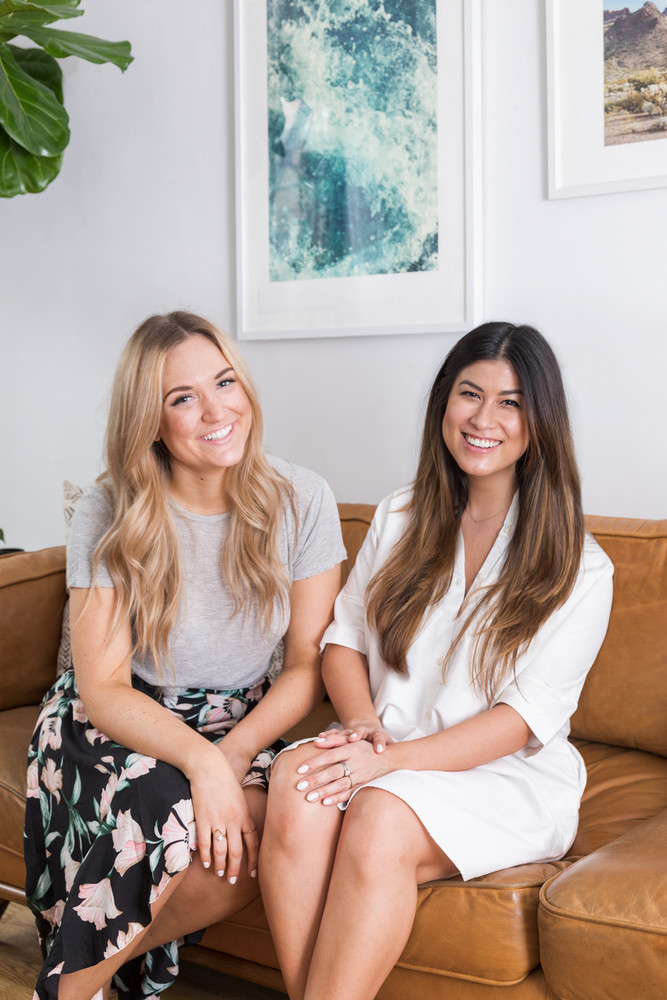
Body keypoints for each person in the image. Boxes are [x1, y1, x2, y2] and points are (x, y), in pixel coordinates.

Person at [260, 321, 614, 1000]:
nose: (483, 419)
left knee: (379, 814)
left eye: (510, 403)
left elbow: (518, 722)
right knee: (296, 780)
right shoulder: (399, 515)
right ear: (443, 402)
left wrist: (388, 762)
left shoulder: (581, 567)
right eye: (469, 394)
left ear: (540, 421)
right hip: (386, 745)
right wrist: (362, 725)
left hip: (504, 776)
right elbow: (343, 641)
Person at [24, 311, 346, 1000]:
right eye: (182, 398)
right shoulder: (110, 508)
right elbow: (104, 688)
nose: (216, 411)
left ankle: (72, 985)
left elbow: (304, 668)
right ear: (150, 420)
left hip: (238, 721)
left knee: (266, 829)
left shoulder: (304, 500)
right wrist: (201, 763)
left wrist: (232, 754)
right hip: (118, 718)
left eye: (225, 383)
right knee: (163, 806)